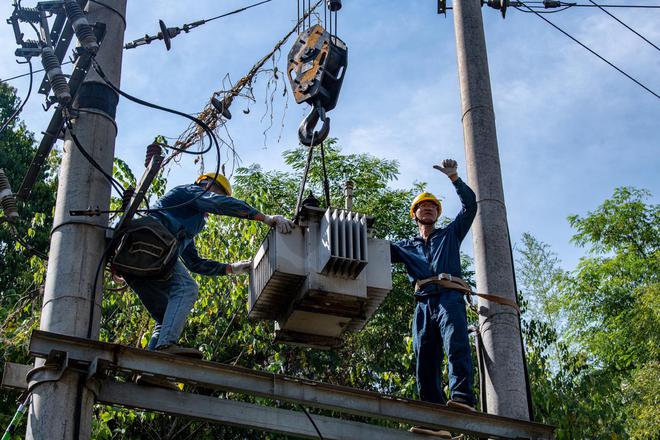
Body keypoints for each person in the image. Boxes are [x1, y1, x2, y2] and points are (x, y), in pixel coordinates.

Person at [123, 172, 294, 360]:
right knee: (187, 288)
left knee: (165, 318)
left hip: (138, 261)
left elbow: (193, 262)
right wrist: (265, 218)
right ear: (206, 184)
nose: (217, 199)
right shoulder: (189, 191)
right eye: (218, 193)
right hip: (149, 243)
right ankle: (165, 346)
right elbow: (218, 203)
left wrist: (230, 268)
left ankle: (149, 366)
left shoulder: (188, 221)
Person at [390, 159, 477, 438]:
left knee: (456, 344)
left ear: (437, 214)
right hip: (424, 302)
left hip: (449, 297)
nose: (427, 209)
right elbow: (373, 249)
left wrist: (455, 179)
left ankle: (462, 399)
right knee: (424, 357)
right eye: (422, 207)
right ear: (415, 215)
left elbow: (470, 208)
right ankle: (433, 418)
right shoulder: (405, 247)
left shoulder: (449, 235)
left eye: (432, 207)